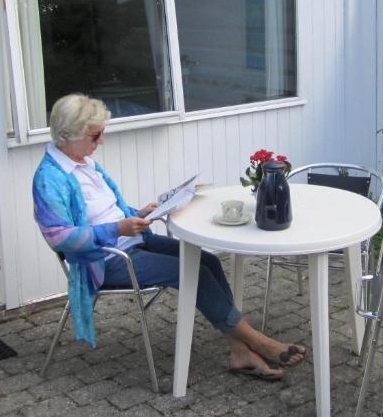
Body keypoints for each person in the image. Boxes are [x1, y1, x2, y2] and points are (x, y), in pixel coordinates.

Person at [32, 93, 305, 380]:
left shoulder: (84, 163)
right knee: (193, 272)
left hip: (132, 241)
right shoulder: (50, 178)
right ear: (68, 135)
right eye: (95, 135)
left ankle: (239, 351)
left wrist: (140, 213)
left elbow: (106, 210)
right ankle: (259, 343)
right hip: (105, 260)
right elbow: (59, 237)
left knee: (208, 262)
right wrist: (117, 229)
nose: (101, 141)